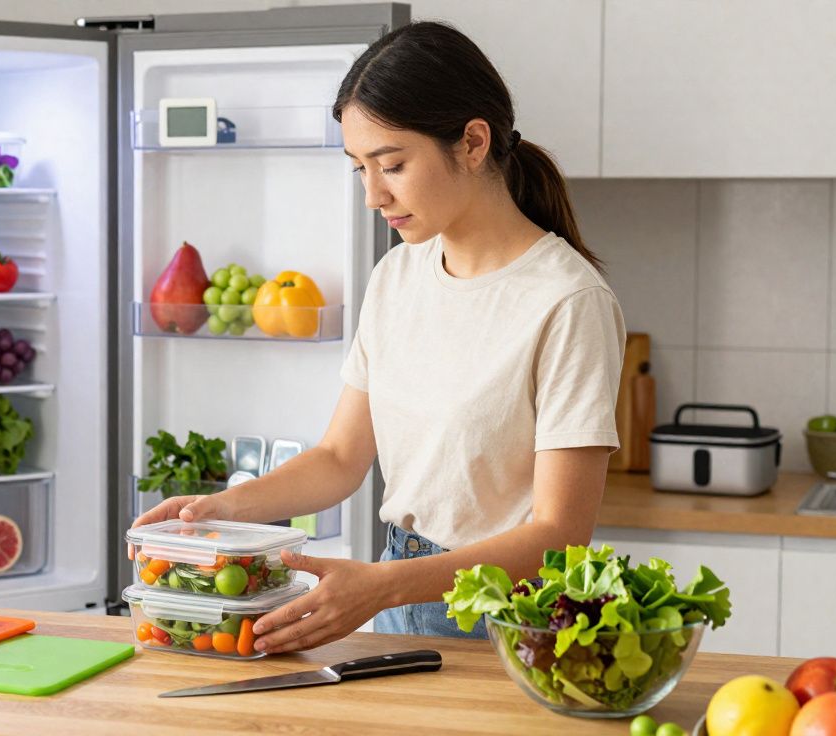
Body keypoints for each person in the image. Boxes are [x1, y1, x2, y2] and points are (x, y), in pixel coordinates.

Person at [131, 20, 626, 654]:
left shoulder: (567, 300)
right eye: (359, 168)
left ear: (473, 142)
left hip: (506, 620)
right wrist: (219, 508)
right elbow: (341, 458)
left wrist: (384, 587)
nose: (372, 194)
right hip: (398, 598)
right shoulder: (399, 273)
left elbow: (559, 535)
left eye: (391, 164)